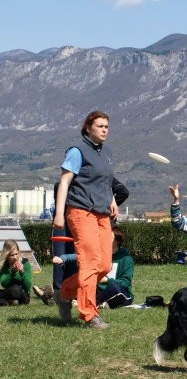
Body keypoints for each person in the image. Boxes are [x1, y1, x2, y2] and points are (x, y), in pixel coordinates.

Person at [53, 111, 119, 329]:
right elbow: (64, 182)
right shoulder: (77, 151)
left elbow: (105, 182)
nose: (104, 130)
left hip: (102, 213)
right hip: (80, 211)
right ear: (88, 127)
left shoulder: (106, 153)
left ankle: (63, 294)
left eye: (107, 127)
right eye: (100, 126)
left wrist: (112, 200)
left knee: (103, 265)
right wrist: (59, 213)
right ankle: (89, 314)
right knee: (90, 262)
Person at [51, 178, 129, 301]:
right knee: (72, 257)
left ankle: (68, 292)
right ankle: (62, 292)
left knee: (87, 258)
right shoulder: (73, 180)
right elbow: (60, 187)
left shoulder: (99, 176)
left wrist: (106, 209)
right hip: (74, 221)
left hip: (84, 221)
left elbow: (122, 191)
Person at [53, 225, 134, 309]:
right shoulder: (99, 253)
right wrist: (63, 258)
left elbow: (126, 282)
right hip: (99, 291)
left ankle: (87, 304)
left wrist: (107, 280)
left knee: (114, 287)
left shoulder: (126, 258)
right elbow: (81, 255)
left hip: (120, 294)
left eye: (108, 238)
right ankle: (61, 295)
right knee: (82, 279)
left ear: (117, 241)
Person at [0, 240, 32, 306]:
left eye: (16, 254)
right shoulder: (4, 265)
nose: (15, 257)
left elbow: (28, 287)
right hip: (9, 292)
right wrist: (13, 272)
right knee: (13, 289)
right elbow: (4, 284)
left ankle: (4, 301)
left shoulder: (25, 263)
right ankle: (10, 302)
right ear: (7, 255)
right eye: (12, 255)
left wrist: (22, 272)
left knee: (16, 289)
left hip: (23, 295)